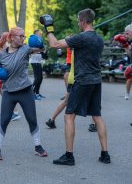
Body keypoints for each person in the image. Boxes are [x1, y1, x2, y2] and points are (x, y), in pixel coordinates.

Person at [40, 9, 110, 165]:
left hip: (82, 80)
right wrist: (72, 41)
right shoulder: (98, 39)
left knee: (69, 116)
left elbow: (54, 44)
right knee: (97, 116)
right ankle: (105, 154)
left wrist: (49, 28)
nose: (78, 23)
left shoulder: (81, 38)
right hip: (96, 81)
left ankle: (69, 156)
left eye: (79, 21)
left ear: (84, 21)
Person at [0, 27, 47, 160]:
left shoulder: (25, 49)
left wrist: (40, 44)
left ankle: (38, 146)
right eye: (21, 36)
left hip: (25, 90)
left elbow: (41, 50)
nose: (24, 38)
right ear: (12, 37)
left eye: (24, 36)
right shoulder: (1, 54)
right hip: (9, 92)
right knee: (4, 120)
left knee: (32, 119)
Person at [0, 32, 21, 121]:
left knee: (7, 93)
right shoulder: (2, 45)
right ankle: (7, 112)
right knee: (3, 93)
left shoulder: (9, 46)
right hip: (1, 72)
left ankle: (15, 113)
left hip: (6, 72)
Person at [114, 24, 132, 100]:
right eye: (125, 33)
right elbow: (130, 54)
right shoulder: (130, 41)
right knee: (130, 77)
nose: (126, 35)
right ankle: (127, 93)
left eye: (127, 33)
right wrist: (125, 44)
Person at [30, 30, 45, 100]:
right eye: (39, 34)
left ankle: (37, 93)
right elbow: (33, 50)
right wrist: (40, 49)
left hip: (38, 61)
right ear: (36, 34)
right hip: (34, 61)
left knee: (40, 78)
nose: (40, 35)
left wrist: (41, 49)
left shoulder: (39, 42)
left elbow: (42, 50)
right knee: (37, 78)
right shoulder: (33, 41)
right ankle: (32, 93)